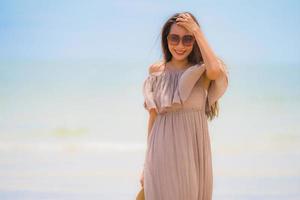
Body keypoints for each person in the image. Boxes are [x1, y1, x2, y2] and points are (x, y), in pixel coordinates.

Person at [140, 11, 229, 200]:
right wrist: (145, 165)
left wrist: (196, 30)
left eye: (187, 39)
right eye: (174, 38)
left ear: (195, 40)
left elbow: (215, 70)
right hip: (160, 153)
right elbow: (153, 118)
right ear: (166, 39)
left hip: (192, 153)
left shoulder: (202, 70)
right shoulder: (156, 71)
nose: (180, 45)